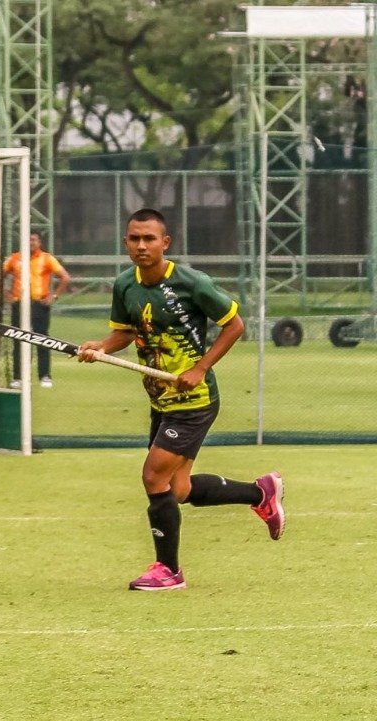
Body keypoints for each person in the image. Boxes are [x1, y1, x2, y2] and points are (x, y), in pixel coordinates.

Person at [77, 208, 285, 591]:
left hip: (194, 400)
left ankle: (168, 570)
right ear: (126, 242)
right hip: (161, 400)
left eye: (149, 239)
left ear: (165, 242)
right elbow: (126, 332)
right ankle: (261, 493)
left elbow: (235, 325)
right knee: (178, 490)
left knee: (153, 476)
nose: (141, 246)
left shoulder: (193, 282)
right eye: (134, 239)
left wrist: (200, 368)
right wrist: (102, 346)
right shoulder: (125, 284)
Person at [3, 231, 71, 388]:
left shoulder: (46, 258)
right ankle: (17, 377)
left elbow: (65, 277)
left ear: (39, 242)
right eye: (28, 240)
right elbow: (1, 274)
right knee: (18, 339)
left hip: (39, 304)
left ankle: (45, 376)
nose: (31, 242)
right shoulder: (15, 258)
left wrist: (53, 296)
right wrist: (5, 293)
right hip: (19, 304)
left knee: (42, 339)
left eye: (33, 240)